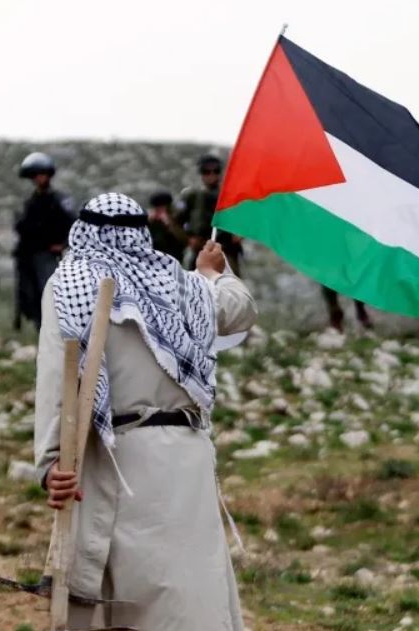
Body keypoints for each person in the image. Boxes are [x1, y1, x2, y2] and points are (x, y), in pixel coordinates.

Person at [34, 193, 256, 631]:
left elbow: (58, 380)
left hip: (113, 454)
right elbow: (241, 308)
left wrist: (50, 463)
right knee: (187, 590)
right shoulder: (180, 285)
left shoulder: (68, 285)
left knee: (122, 593)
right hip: (183, 457)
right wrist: (214, 272)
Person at [13, 152, 74, 333]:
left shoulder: (59, 200)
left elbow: (73, 224)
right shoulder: (30, 202)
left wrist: (63, 244)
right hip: (28, 255)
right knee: (31, 296)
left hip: (47, 255)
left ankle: (55, 333)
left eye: (41, 174)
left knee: (49, 294)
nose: (38, 179)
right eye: (35, 176)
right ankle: (41, 332)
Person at [179, 154, 243, 274]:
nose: (212, 175)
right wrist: (189, 239)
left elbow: (242, 218)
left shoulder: (229, 195)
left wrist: (239, 232)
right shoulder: (192, 195)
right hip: (199, 248)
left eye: (216, 171)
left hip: (225, 247)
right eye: (206, 171)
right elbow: (179, 220)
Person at [147, 190, 188, 260]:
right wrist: (148, 222)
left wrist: (169, 223)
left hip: (173, 256)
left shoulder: (178, 217)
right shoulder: (150, 219)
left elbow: (185, 240)